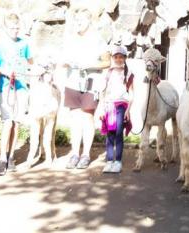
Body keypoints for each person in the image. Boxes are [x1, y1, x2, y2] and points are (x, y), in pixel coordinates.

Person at [59, 8, 111, 170]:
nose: (78, 23)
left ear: (89, 21)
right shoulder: (71, 39)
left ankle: (86, 154)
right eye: (76, 20)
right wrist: (67, 62)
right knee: (75, 119)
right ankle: (74, 153)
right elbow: (63, 60)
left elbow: (107, 62)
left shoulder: (97, 39)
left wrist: (89, 64)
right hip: (73, 82)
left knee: (87, 118)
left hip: (91, 83)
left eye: (81, 20)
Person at [0, 13, 34, 175]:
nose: (15, 30)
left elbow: (31, 63)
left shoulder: (24, 44)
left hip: (21, 86)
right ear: (6, 28)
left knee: (16, 122)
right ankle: (2, 158)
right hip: (6, 87)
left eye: (17, 27)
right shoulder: (0, 46)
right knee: (7, 122)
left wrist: (31, 74)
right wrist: (4, 71)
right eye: (12, 27)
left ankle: (11, 156)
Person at [97, 45, 134, 173]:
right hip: (109, 105)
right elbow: (102, 91)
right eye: (116, 57)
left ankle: (117, 161)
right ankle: (109, 161)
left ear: (124, 58)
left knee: (118, 132)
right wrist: (102, 108)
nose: (118, 59)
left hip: (121, 105)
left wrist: (128, 110)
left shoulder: (128, 73)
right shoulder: (108, 72)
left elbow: (132, 94)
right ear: (113, 58)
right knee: (110, 133)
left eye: (121, 57)